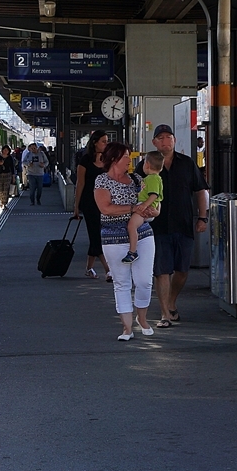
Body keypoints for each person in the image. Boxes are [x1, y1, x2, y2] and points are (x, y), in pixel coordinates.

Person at [137, 124, 209, 328]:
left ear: (175, 141)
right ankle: (165, 314)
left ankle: (171, 301)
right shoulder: (145, 164)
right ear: (153, 143)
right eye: (160, 138)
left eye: (169, 137)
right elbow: (136, 190)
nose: (165, 141)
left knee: (182, 270)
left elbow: (200, 190)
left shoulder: (187, 163)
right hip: (156, 226)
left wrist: (202, 218)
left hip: (183, 223)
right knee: (162, 270)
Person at [95, 141, 158, 341]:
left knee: (144, 281)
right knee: (121, 283)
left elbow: (154, 202)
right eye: (125, 157)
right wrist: (133, 208)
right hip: (113, 237)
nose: (129, 161)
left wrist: (153, 211)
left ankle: (142, 318)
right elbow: (105, 208)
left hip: (143, 233)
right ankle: (127, 327)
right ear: (114, 159)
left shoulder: (137, 178)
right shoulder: (102, 181)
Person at [73, 130, 113, 283]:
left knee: (97, 235)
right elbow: (80, 183)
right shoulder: (85, 160)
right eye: (103, 141)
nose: (106, 144)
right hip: (89, 203)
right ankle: (108, 270)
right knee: (97, 236)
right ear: (95, 142)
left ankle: (89, 268)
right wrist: (76, 207)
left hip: (105, 203)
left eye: (107, 141)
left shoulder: (108, 160)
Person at [125, 151, 164, 263]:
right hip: (148, 207)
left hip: (145, 207)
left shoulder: (152, 178)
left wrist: (144, 205)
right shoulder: (154, 178)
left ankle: (132, 251)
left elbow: (154, 195)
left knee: (131, 226)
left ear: (147, 164)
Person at [0, 145, 17, 210]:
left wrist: (13, 176)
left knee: (6, 189)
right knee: (0, 190)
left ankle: (4, 203)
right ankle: (1, 201)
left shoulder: (10, 158)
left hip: (7, 175)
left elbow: (12, 167)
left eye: (7, 150)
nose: (5, 152)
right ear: (2, 150)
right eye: (4, 150)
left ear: (9, 151)